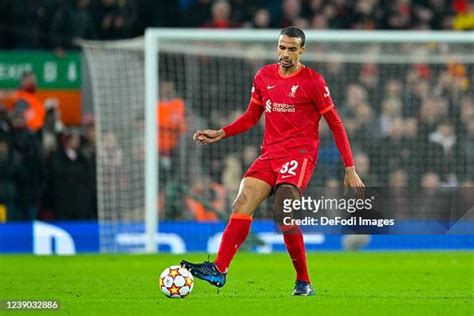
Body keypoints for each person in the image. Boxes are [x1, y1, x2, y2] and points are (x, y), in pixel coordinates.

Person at [181, 27, 364, 296]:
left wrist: (350, 168)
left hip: (299, 155)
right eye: (282, 47)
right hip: (270, 154)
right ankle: (220, 269)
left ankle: (303, 281)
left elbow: (336, 124)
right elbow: (251, 115)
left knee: (284, 214)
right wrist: (222, 132)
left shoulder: (313, 81)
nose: (285, 53)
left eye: (292, 49)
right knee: (242, 203)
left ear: (302, 51)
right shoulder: (264, 76)